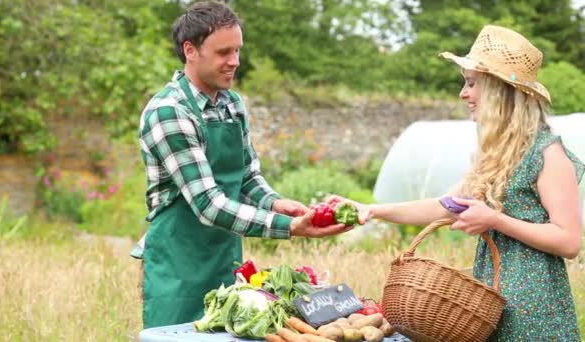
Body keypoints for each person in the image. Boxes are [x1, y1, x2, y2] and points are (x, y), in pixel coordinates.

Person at [328, 25, 583, 341]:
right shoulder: (496, 154)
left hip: (538, 315)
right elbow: (443, 207)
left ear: (499, 90)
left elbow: (569, 241)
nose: (464, 93)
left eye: (472, 83)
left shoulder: (547, 152)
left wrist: (495, 220)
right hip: (490, 307)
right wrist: (372, 210)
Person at [133, 1, 350, 329]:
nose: (234, 61)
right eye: (223, 52)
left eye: (237, 50)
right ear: (190, 50)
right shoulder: (169, 112)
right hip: (178, 265)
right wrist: (288, 227)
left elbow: (247, 176)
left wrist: (275, 203)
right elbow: (208, 205)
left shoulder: (232, 104)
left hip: (224, 255)